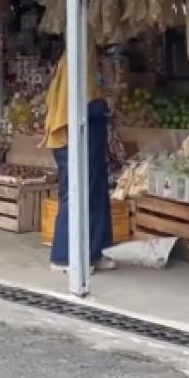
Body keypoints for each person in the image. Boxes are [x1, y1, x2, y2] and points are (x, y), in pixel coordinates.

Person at [42, 42, 116, 273]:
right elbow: (77, 106)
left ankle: (94, 252)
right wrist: (103, 105)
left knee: (96, 194)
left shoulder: (84, 66)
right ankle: (63, 257)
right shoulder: (75, 65)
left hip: (89, 141)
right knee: (75, 195)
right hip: (72, 141)